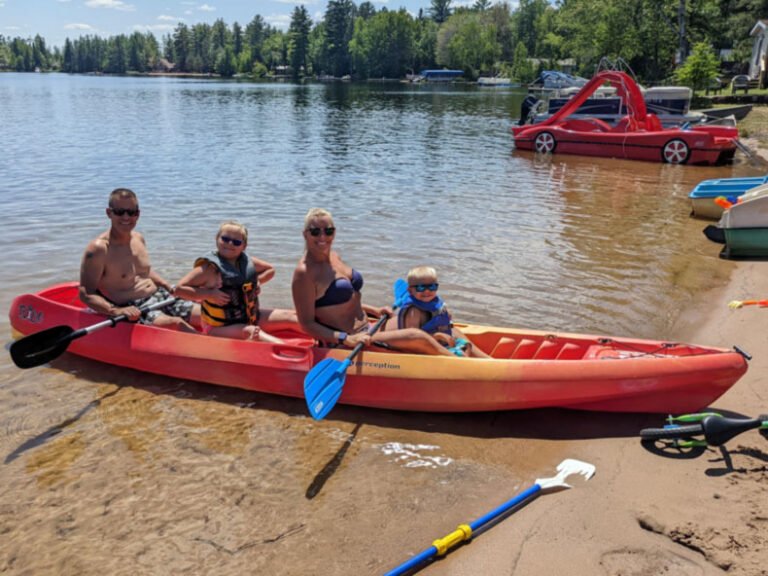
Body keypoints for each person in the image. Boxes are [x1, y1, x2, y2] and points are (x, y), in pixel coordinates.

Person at [291, 208, 453, 355]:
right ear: (305, 234)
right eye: (315, 232)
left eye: (328, 231)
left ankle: (471, 358)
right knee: (417, 336)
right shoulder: (304, 273)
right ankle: (463, 366)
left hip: (369, 329)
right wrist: (345, 339)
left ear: (334, 232)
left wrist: (375, 310)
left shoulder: (334, 256)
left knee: (432, 319)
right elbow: (307, 323)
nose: (322, 237)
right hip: (349, 341)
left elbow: (342, 302)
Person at [79, 188, 198, 332]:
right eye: (119, 212)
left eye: (131, 212)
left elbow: (144, 271)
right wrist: (115, 311)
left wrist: (168, 286)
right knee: (177, 324)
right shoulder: (98, 249)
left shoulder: (138, 238)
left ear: (138, 214)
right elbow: (86, 293)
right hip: (135, 308)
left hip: (160, 295)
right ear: (109, 213)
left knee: (206, 315)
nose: (126, 217)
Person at [175, 221, 298, 342]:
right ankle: (291, 352)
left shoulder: (247, 262)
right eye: (225, 239)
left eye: (236, 242)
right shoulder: (209, 269)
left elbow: (270, 270)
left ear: (244, 246)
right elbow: (179, 289)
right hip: (219, 328)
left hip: (250, 317)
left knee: (291, 316)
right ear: (217, 238)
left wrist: (257, 281)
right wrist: (210, 294)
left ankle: (316, 343)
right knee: (251, 331)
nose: (230, 244)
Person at [389, 265, 490, 358]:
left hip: (441, 342)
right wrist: (437, 337)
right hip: (424, 349)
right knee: (461, 354)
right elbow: (413, 338)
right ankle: (471, 369)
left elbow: (439, 315)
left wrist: (445, 316)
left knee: (466, 345)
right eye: (421, 287)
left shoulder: (433, 301)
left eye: (432, 287)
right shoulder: (414, 311)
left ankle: (485, 362)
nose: (427, 291)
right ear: (410, 291)